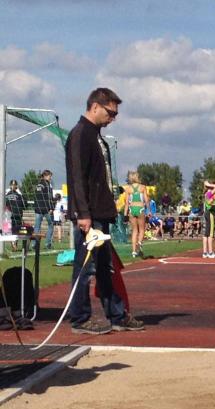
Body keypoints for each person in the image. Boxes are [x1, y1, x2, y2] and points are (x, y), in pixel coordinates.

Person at [65, 87, 143, 334]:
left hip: (102, 212)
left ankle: (117, 315)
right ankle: (80, 318)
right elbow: (77, 177)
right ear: (95, 106)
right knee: (85, 267)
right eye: (111, 113)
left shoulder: (97, 137)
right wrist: (83, 213)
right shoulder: (80, 134)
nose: (113, 118)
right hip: (89, 214)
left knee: (104, 267)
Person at [123, 171, 148, 257]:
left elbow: (126, 203)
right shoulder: (143, 187)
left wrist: (125, 215)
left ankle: (133, 251)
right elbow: (146, 200)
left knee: (134, 231)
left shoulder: (128, 189)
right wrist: (149, 211)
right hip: (140, 209)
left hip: (131, 210)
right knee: (142, 229)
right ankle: (139, 242)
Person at [33, 169, 55, 250]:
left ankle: (34, 244)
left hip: (37, 208)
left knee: (37, 227)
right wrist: (51, 208)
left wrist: (35, 207)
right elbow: (49, 197)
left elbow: (36, 196)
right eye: (50, 176)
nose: (50, 178)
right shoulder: (47, 184)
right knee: (51, 225)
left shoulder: (38, 184)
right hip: (46, 208)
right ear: (46, 176)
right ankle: (48, 243)